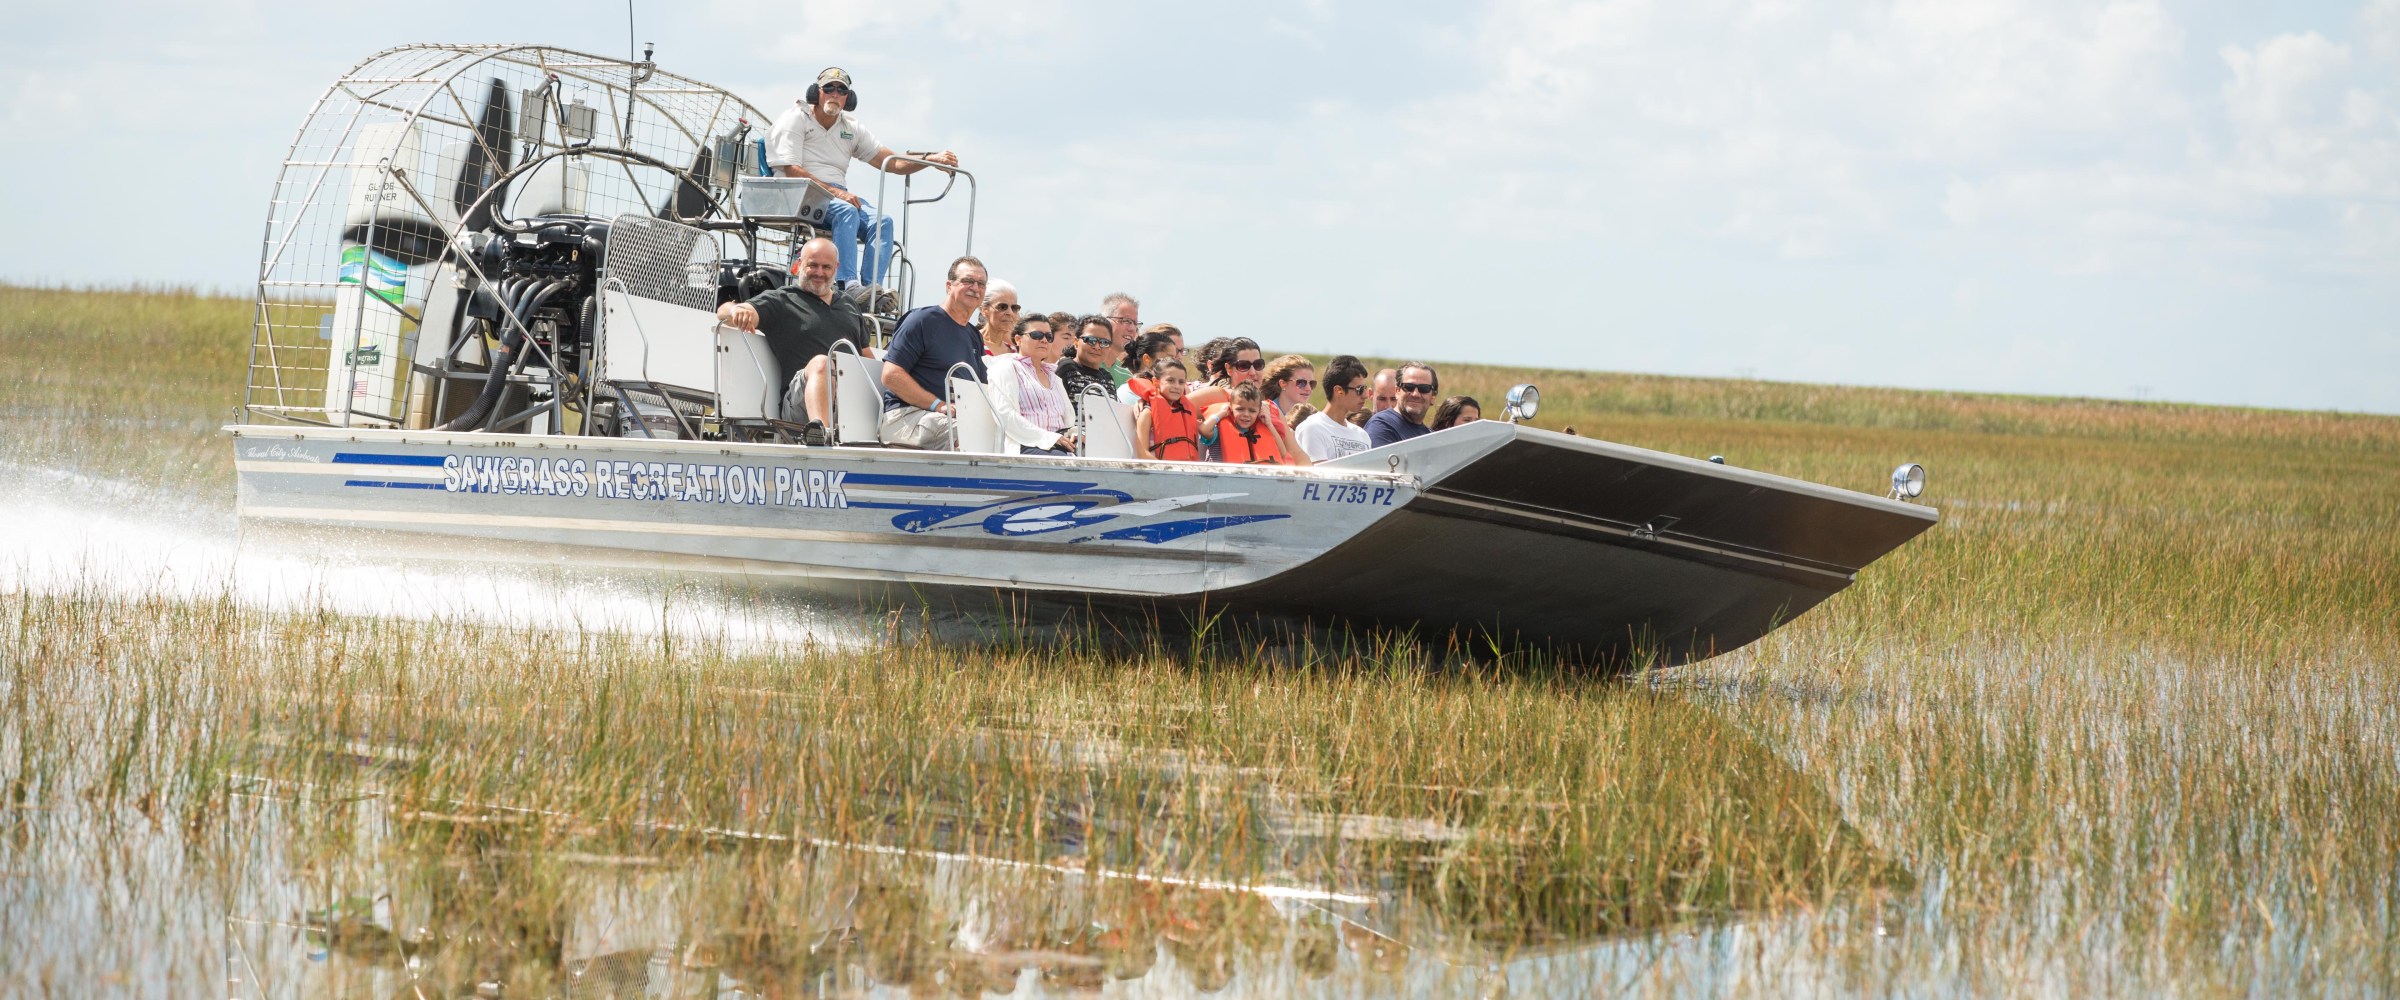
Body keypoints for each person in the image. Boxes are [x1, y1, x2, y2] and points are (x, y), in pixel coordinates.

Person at [765, 67, 960, 293]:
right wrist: (838, 194)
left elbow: (891, 162)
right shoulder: (796, 118)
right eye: (828, 88)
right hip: (799, 192)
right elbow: (791, 169)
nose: (834, 94)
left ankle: (870, 290)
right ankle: (848, 284)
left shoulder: (850, 127)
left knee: (882, 221)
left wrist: (931, 159)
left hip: (835, 195)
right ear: (816, 92)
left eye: (841, 90)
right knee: (846, 211)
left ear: (849, 97)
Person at [713, 236, 862, 435]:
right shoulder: (783, 300)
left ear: (836, 267)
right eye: (812, 265)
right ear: (799, 265)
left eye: (826, 267)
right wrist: (736, 311)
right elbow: (723, 311)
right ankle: (821, 434)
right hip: (800, 407)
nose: (819, 272)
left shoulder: (849, 304)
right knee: (821, 363)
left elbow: (866, 357)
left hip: (849, 403)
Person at [877, 256, 990, 449]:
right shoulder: (922, 320)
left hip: (951, 418)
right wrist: (938, 405)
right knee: (972, 434)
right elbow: (891, 376)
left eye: (981, 283)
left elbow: (981, 389)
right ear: (949, 286)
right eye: (967, 281)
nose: (975, 287)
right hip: (907, 417)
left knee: (1002, 433)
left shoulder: (973, 335)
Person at [985, 316, 1078, 455]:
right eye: (1036, 335)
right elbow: (1005, 415)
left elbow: (1068, 419)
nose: (1044, 340)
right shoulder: (1005, 368)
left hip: (1060, 443)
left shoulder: (1054, 376)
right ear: (1018, 339)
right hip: (1027, 444)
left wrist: (1075, 432)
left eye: (1049, 336)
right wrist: (1048, 438)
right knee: (1066, 465)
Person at [1294, 355, 1372, 461]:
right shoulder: (1312, 428)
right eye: (1359, 389)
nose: (1365, 395)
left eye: (1365, 388)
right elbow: (1319, 475)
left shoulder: (1362, 435)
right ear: (1338, 390)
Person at [1200, 382, 1296, 465]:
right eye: (1240, 409)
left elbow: (1282, 453)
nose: (1246, 414)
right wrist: (1221, 413)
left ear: (1259, 411)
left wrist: (1269, 424)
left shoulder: (1264, 431)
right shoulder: (1219, 431)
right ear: (1231, 407)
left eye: (1252, 411)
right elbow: (1203, 429)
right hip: (1220, 482)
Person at [1133, 359, 1200, 461]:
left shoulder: (1186, 412)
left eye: (1181, 382)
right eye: (1170, 381)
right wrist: (1168, 470)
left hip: (1185, 472)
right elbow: (1142, 454)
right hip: (1159, 473)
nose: (1177, 386)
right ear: (1156, 382)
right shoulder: (1147, 414)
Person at [1365, 363, 1438, 447]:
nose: (1415, 394)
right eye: (1409, 387)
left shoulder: (1431, 436)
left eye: (1424, 388)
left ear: (1433, 397)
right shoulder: (1381, 425)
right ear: (1397, 391)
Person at [1056, 316, 1118, 401]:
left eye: (1104, 342)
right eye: (1090, 340)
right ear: (1076, 343)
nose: (1097, 347)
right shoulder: (1065, 369)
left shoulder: (1107, 377)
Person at [1117, 330, 1180, 407]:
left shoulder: (1175, 391)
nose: (1174, 364)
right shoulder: (1128, 391)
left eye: (1174, 359)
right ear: (1147, 359)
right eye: (1168, 358)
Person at [1260, 355, 1316, 427]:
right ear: (1283, 383)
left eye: (1312, 383)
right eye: (1301, 382)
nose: (1308, 388)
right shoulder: (1264, 413)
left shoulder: (1312, 417)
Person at [974, 279, 1020, 356]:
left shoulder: (1015, 352)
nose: (1010, 312)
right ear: (984, 310)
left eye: (1014, 308)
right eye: (1002, 307)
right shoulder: (972, 343)